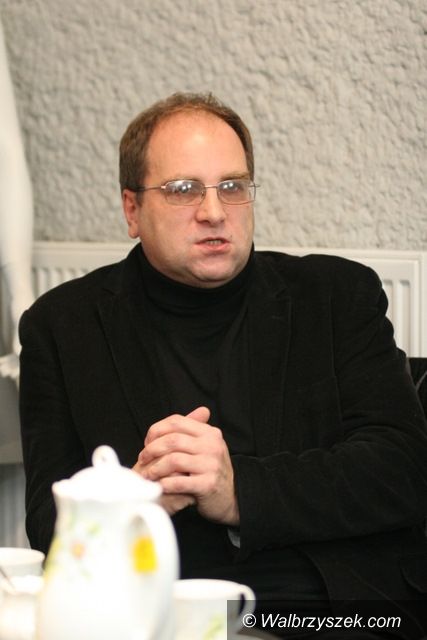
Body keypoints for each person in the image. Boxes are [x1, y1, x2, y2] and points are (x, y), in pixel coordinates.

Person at [19, 92, 427, 638]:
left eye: (232, 187)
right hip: (158, 612)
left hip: (325, 607)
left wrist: (239, 492)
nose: (214, 212)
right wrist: (134, 498)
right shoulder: (62, 327)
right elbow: (47, 527)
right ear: (132, 210)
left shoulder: (335, 297)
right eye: (183, 189)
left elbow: (405, 471)